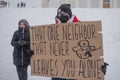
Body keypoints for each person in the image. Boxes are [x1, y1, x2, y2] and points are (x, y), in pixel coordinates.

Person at [52, 4, 108, 80]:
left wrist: (99, 64)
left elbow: (92, 47)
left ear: (69, 14)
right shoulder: (52, 30)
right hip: (58, 74)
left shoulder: (82, 29)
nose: (62, 15)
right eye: (60, 13)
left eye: (64, 13)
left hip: (76, 73)